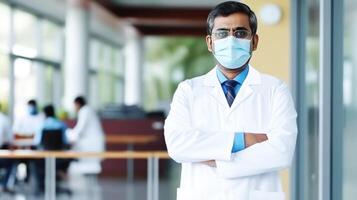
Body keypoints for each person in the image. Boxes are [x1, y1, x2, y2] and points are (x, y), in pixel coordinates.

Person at [164, 2, 297, 200]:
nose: (231, 40)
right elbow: (177, 146)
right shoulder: (188, 90)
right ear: (210, 42)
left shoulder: (275, 89)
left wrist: (216, 158)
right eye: (222, 33)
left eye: (241, 33)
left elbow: (282, 152)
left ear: (254, 41)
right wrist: (244, 139)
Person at [34, 105, 71, 194]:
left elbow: (36, 142)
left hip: (43, 159)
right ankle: (58, 175)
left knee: (35, 163)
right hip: (59, 158)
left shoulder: (42, 125)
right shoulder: (61, 124)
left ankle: (41, 187)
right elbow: (65, 141)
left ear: (45, 114)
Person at [67, 96, 105, 174]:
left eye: (74, 105)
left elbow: (80, 128)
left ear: (77, 104)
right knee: (91, 165)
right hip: (91, 143)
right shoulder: (87, 110)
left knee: (90, 166)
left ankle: (90, 184)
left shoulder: (85, 111)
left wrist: (69, 134)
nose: (74, 108)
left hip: (91, 144)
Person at [0, 104, 13, 192]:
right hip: (2, 152)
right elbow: (10, 139)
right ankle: (3, 185)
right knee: (11, 162)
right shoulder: (4, 119)